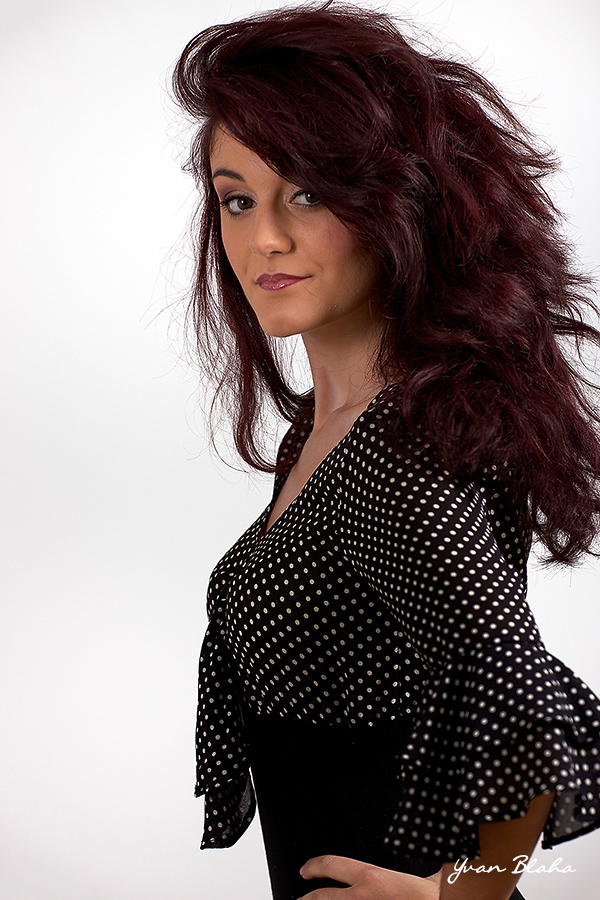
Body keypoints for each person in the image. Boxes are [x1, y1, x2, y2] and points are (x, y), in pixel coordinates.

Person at [170, 3, 600, 898]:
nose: (264, 237)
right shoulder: (321, 433)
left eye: (308, 193)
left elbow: (517, 694)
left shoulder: (398, 452)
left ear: (396, 204)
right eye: (238, 198)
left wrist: (460, 892)